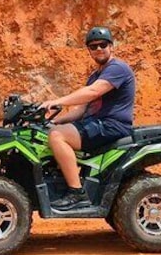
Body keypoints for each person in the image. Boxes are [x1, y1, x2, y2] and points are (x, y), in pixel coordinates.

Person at [40, 26, 136, 211]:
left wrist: (56, 101)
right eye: (93, 46)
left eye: (103, 44)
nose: (99, 49)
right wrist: (54, 122)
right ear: (89, 51)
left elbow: (93, 92)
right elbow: (82, 109)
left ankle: (76, 193)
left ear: (111, 46)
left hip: (111, 125)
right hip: (95, 123)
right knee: (51, 132)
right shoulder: (95, 76)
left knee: (58, 137)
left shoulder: (118, 68)